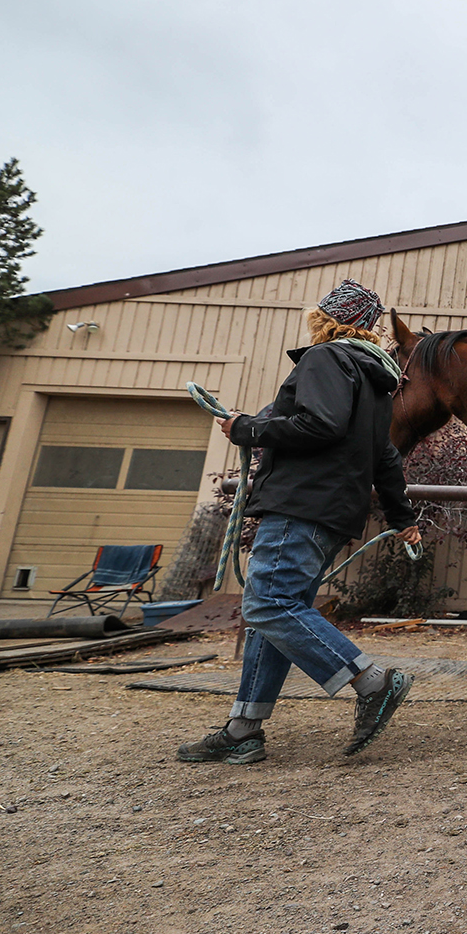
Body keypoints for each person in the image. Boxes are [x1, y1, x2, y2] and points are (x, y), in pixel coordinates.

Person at [177, 279, 423, 765]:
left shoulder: (326, 359)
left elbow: (319, 424)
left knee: (268, 605)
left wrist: (247, 428)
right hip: (330, 514)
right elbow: (386, 458)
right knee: (278, 615)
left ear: (326, 319)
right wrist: (403, 518)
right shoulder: (376, 381)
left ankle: (373, 683)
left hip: (300, 507)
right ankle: (243, 729)